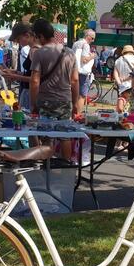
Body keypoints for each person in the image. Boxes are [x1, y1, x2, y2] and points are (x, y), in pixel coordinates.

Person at [29, 19, 79, 160]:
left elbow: (34, 81)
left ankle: (47, 167)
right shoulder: (70, 53)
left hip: (45, 101)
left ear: (41, 36)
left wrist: (33, 104)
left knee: (46, 137)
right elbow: (75, 80)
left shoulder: (39, 53)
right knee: (65, 136)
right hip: (65, 100)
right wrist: (74, 103)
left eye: (37, 37)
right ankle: (66, 168)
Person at [0, 22, 36, 110]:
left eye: (18, 39)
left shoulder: (35, 51)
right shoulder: (31, 49)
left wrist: (14, 76)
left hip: (32, 93)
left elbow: (36, 79)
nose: (17, 42)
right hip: (27, 91)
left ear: (27, 35)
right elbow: (29, 74)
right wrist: (15, 72)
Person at [72, 29, 97, 114]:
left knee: (74, 94)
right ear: (88, 37)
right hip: (82, 72)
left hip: (74, 70)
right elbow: (84, 60)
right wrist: (92, 56)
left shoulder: (76, 43)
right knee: (82, 95)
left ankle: (72, 114)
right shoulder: (86, 45)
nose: (93, 41)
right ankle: (77, 115)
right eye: (93, 38)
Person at [112, 44, 134, 112]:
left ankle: (122, 117)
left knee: (122, 102)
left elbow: (115, 74)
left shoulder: (118, 60)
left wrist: (120, 83)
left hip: (122, 87)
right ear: (132, 51)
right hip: (132, 86)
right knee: (131, 106)